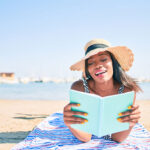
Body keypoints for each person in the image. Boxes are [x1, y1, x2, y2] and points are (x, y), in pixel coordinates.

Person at [63, 39, 141, 143]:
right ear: (88, 69)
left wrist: (130, 124)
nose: (97, 65)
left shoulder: (127, 90)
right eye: (90, 62)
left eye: (103, 59)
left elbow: (117, 138)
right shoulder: (79, 88)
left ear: (113, 62)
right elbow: (85, 137)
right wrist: (70, 124)